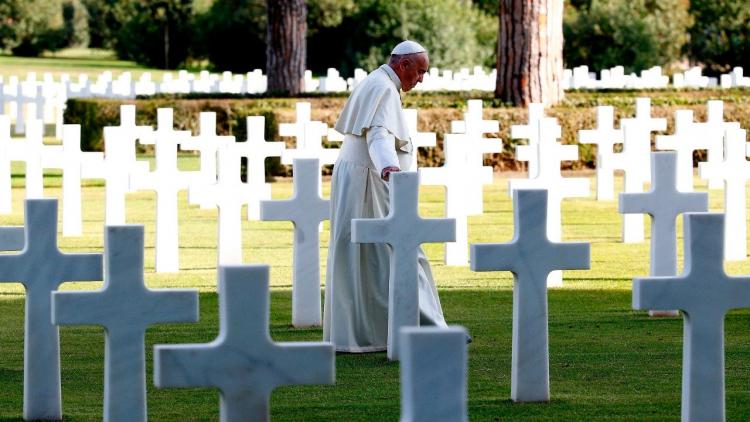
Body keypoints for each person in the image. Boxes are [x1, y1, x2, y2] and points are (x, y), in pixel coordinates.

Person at [323, 40, 449, 352]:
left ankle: (376, 330)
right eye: (419, 72)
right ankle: (428, 328)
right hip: (370, 180)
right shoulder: (382, 87)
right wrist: (389, 168)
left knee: (370, 256)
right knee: (397, 249)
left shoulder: (377, 82)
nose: (420, 79)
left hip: (361, 176)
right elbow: (379, 135)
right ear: (402, 64)